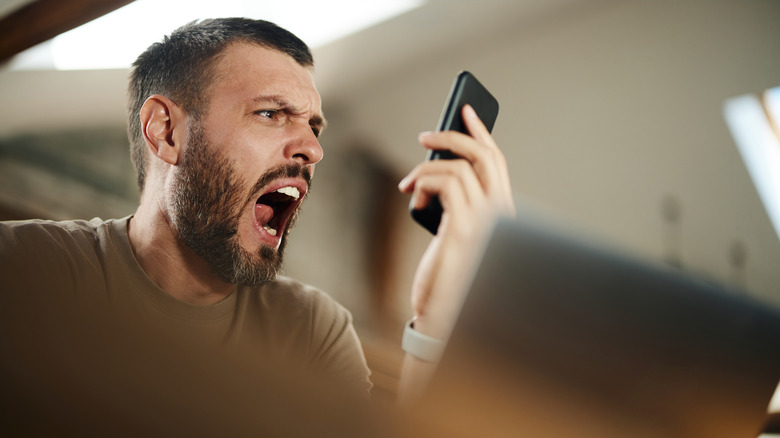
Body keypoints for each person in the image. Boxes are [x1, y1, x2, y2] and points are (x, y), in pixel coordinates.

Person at [0, 17, 514, 433]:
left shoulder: (310, 330)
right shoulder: (26, 270)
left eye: (314, 126)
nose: (312, 149)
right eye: (271, 114)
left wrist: (434, 319)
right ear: (166, 131)